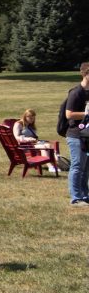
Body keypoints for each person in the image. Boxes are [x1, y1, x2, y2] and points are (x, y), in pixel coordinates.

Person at [63, 63, 89, 205]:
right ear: (85, 74)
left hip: (87, 135)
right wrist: (86, 114)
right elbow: (69, 114)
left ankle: (85, 195)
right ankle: (76, 197)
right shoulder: (76, 92)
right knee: (77, 166)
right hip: (75, 135)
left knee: (86, 168)